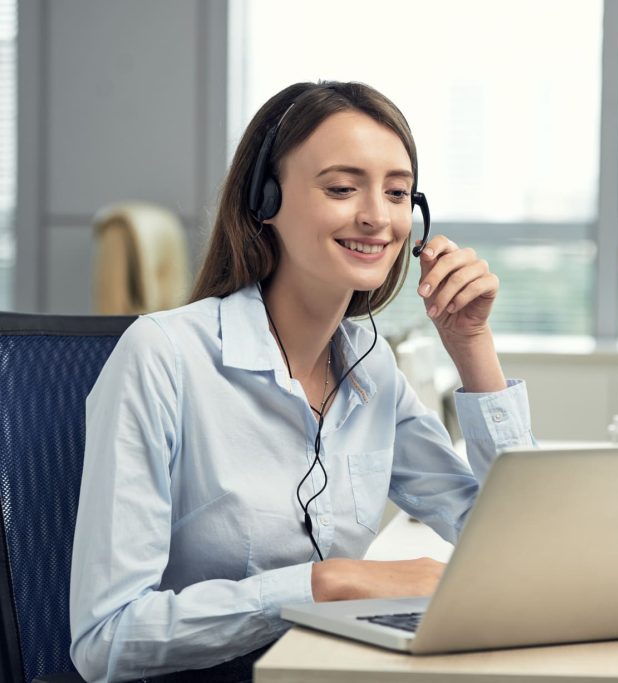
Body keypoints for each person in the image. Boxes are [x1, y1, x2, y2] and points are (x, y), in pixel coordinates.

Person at [69, 81, 535, 682]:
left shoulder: (369, 367)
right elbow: (106, 639)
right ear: (266, 198)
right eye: (342, 188)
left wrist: (472, 347)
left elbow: (514, 547)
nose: (376, 216)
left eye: (397, 193)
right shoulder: (163, 356)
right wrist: (328, 583)